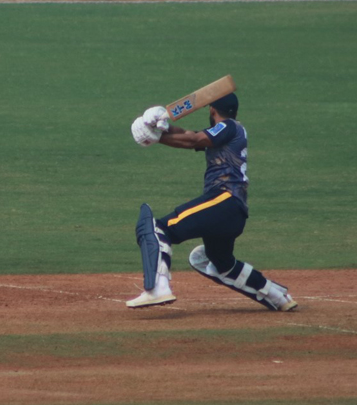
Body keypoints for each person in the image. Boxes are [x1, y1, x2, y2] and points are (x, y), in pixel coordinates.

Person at [126, 93, 296, 311]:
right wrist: (159, 127)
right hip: (234, 213)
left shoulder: (229, 127)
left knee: (157, 229)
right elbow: (189, 135)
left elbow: (195, 140)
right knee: (220, 262)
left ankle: (158, 288)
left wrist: (155, 137)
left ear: (212, 110)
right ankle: (277, 296)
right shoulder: (228, 131)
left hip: (223, 200)